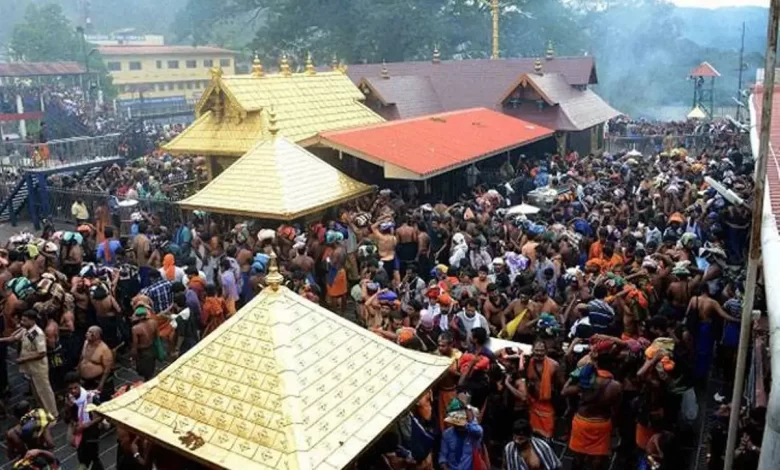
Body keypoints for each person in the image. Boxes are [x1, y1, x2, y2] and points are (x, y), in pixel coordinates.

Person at [563, 341, 622, 470]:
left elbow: (564, 391)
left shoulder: (588, 380)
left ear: (597, 364)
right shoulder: (616, 386)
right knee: (597, 459)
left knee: (578, 457)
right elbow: (616, 409)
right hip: (602, 424)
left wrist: (575, 374)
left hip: (582, 422)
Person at [8, 311, 58, 419]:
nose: (22, 322)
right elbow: (14, 338)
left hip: (39, 368)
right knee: (36, 392)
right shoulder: (27, 331)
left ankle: (53, 414)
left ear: (32, 320)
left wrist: (24, 359)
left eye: (24, 320)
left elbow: (42, 353)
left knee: (44, 391)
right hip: (31, 367)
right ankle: (43, 411)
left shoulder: (37, 333)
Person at [65, 372, 105, 470]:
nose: (73, 391)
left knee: (93, 458)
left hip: (91, 432)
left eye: (75, 387)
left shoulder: (91, 397)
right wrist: (68, 409)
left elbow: (103, 415)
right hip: (78, 432)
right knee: (82, 458)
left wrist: (86, 425)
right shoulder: (69, 398)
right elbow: (66, 419)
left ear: (80, 384)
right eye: (70, 389)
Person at [524, 341, 563, 439]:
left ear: (546, 351)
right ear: (532, 350)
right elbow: (525, 379)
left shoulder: (554, 365)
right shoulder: (528, 362)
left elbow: (560, 383)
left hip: (548, 402)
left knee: (547, 430)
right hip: (533, 402)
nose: (539, 353)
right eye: (537, 350)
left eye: (542, 351)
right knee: (533, 430)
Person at [439, 405, 484, 470]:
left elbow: (479, 431)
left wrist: (470, 420)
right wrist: (444, 466)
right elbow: (443, 456)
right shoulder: (447, 434)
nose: (460, 425)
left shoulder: (473, 434)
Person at [78, 326, 114, 403]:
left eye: (91, 333)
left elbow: (107, 369)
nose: (88, 334)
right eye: (88, 332)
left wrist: (101, 384)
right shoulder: (86, 343)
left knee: (99, 401)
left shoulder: (104, 349)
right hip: (85, 380)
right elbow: (82, 358)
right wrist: (78, 372)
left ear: (98, 335)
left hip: (97, 380)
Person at [130, 304, 158, 381]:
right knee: (151, 368)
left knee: (145, 371)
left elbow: (135, 345)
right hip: (152, 348)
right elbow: (156, 336)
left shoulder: (135, 328)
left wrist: (133, 357)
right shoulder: (154, 322)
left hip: (143, 352)